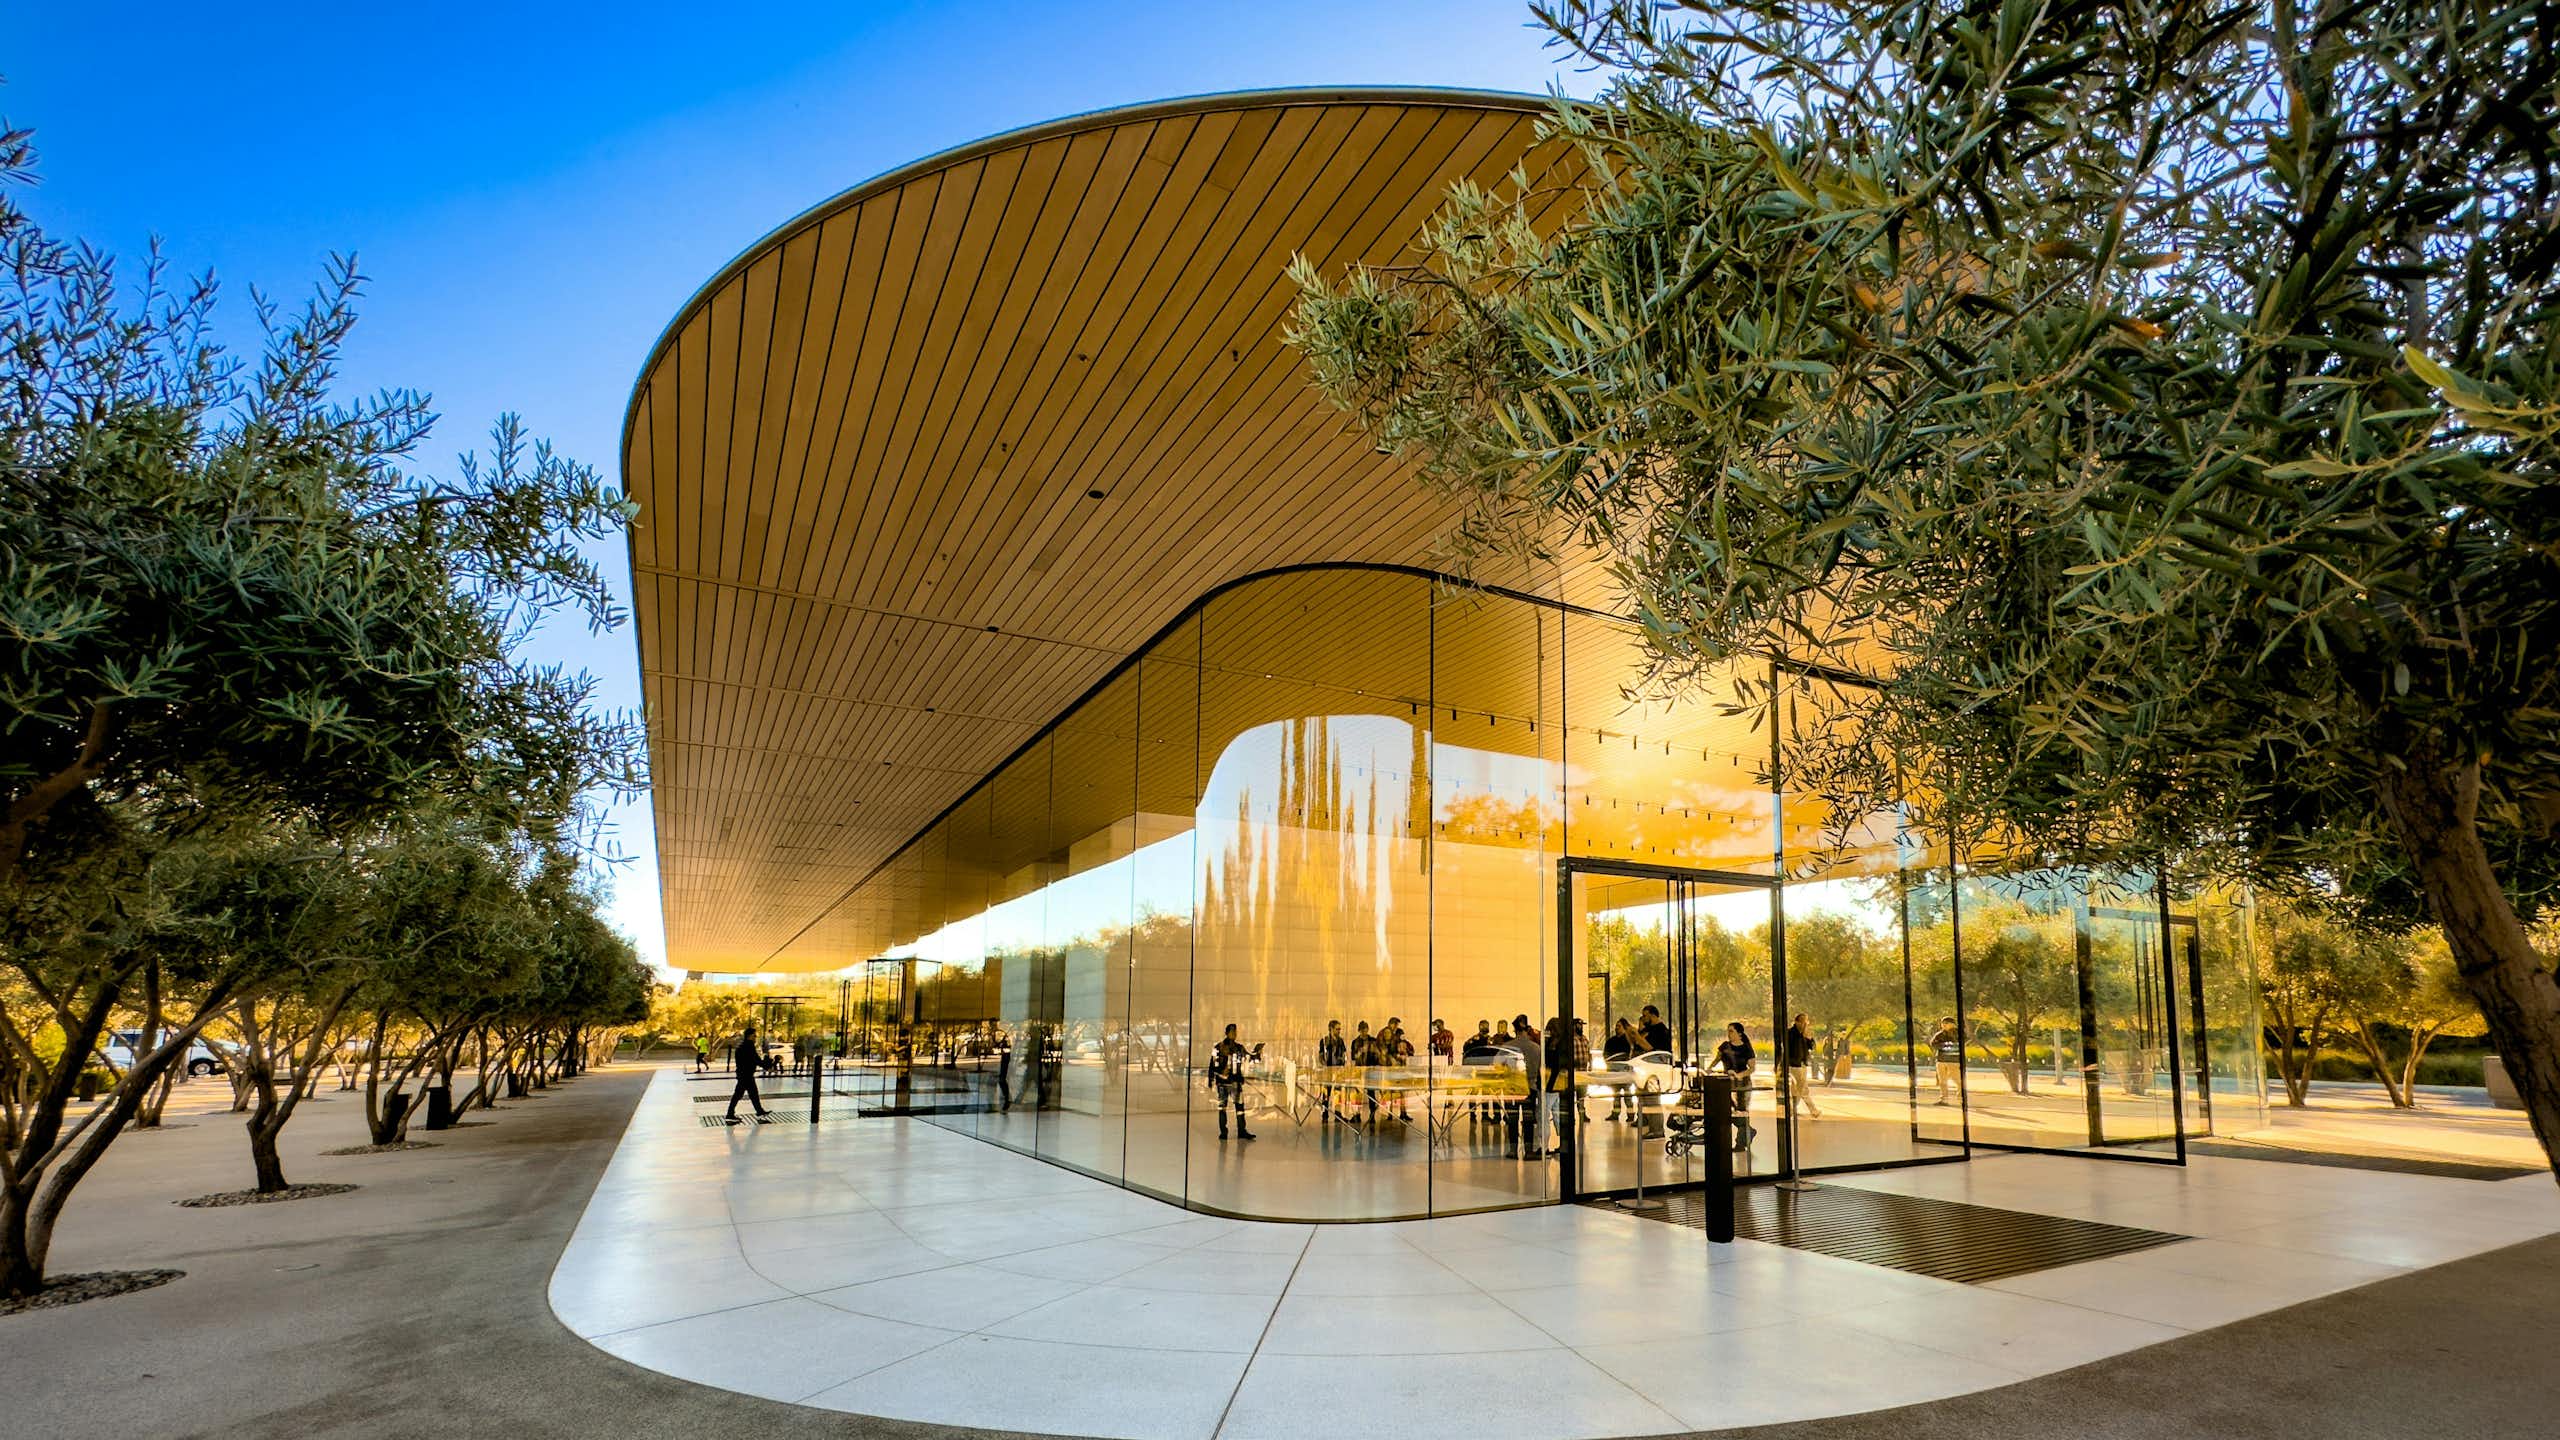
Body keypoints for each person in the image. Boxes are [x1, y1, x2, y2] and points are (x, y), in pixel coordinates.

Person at [1499, 1015, 1544, 1158]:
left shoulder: (1507, 1047)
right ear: (1527, 1028)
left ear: (1514, 1030)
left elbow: (1497, 1065)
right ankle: (1529, 1151)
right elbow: (1541, 1070)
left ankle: (1513, 1151)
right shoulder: (1536, 1048)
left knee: (1512, 1120)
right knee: (1528, 1120)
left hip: (1512, 1088)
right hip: (1530, 1087)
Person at [1712, 1021, 1756, 1151]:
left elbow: (1751, 1068)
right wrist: (1708, 1070)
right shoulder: (1724, 1046)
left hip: (1743, 1084)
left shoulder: (1746, 1048)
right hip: (1727, 1083)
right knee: (1727, 1111)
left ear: (1739, 1033)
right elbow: (1716, 1061)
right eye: (1728, 1031)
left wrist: (1739, 1075)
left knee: (1741, 1112)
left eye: (1731, 1031)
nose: (1728, 1034)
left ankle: (1741, 1143)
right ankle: (1748, 1131)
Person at [1209, 1022, 1255, 1140]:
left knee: (1239, 1107)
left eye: (1235, 1031)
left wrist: (1256, 1054)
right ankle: (1224, 1132)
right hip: (1223, 1083)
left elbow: (1249, 1058)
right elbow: (1212, 1064)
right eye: (1232, 1031)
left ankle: (1241, 1131)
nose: (1234, 1034)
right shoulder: (1218, 1047)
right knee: (1222, 1108)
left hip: (1235, 1082)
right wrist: (1212, 1078)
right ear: (1226, 1033)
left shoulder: (1239, 1048)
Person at [725, 1025, 771, 1123]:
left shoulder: (741, 1046)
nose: (756, 1038)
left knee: (751, 1094)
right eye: (755, 1036)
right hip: (746, 1075)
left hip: (743, 1074)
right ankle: (730, 1114)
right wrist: (767, 1066)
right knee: (740, 1094)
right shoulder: (749, 1046)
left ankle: (759, 1111)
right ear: (749, 1036)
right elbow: (756, 1060)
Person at [1784, 1013, 1823, 1119]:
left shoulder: (1804, 1034)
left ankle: (1791, 1110)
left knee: (1797, 1090)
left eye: (1806, 1022)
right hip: (1794, 1065)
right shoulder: (1790, 1034)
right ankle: (1813, 1110)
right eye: (1803, 1021)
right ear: (1796, 1022)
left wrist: (1808, 1037)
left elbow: (1812, 1047)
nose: (1805, 1024)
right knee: (1803, 1089)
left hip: (1802, 1064)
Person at [1602, 1018, 1636, 1122]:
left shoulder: (1628, 1041)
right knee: (1616, 1095)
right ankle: (1615, 1113)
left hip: (1624, 1072)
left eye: (1619, 1026)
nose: (1617, 1028)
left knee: (1627, 1095)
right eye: (1616, 1026)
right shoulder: (1611, 1041)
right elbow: (1606, 1054)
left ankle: (1630, 1115)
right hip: (1614, 1072)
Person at [1931, 1016, 1965, 1105]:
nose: (1944, 1025)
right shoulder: (1939, 1034)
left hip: (1953, 1061)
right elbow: (1933, 1044)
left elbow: (1959, 1045)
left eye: (1946, 1023)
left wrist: (1945, 1045)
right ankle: (1944, 1099)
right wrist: (1946, 1045)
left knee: (1957, 1080)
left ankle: (1961, 1098)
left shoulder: (1959, 1034)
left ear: (1952, 1024)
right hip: (1941, 1060)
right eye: (1942, 1023)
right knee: (1942, 1081)